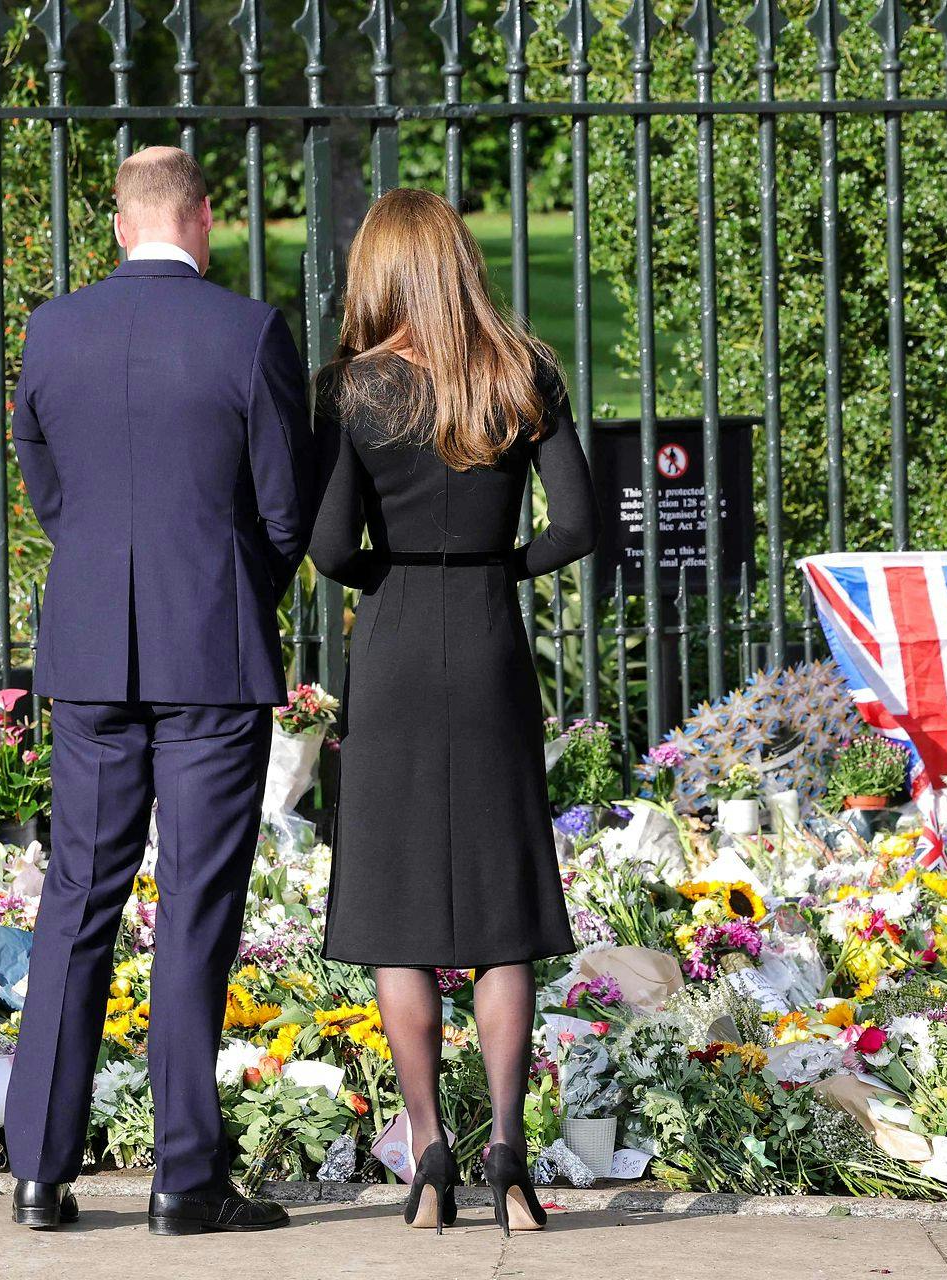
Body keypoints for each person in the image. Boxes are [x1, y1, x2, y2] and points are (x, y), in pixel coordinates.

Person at [3, 146, 315, 1236]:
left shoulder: (52, 330)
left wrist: (98, 561)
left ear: (121, 223)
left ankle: (39, 1170)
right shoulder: (249, 331)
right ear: (206, 216)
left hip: (91, 649)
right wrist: (231, 586)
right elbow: (286, 507)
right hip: (210, 654)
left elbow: (44, 478)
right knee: (194, 912)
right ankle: (184, 1175)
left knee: (76, 903)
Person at [308, 187, 599, 1235]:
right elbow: (580, 522)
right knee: (501, 908)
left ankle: (429, 1151)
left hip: (393, 641)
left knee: (397, 911)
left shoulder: (351, 391)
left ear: (378, 270)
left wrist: (399, 564)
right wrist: (501, 561)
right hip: (486, 634)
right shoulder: (524, 372)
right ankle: (511, 1156)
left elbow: (333, 548)